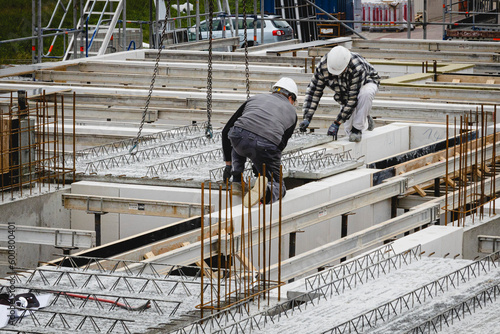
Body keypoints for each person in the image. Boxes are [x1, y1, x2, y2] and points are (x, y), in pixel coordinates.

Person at [222, 77, 298, 207]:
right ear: (290, 97)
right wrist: (261, 167)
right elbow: (279, 145)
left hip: (238, 137)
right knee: (279, 186)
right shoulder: (293, 114)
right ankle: (266, 190)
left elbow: (226, 131)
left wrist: (228, 165)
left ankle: (236, 180)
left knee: (238, 135)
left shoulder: (255, 98)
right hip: (266, 145)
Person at [299, 45, 380, 142]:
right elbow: (314, 91)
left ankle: (358, 127)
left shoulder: (357, 67)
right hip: (343, 89)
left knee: (365, 94)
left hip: (366, 82)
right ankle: (364, 116)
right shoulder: (323, 66)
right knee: (348, 129)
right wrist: (307, 117)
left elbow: (352, 99)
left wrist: (337, 122)